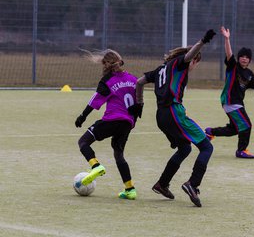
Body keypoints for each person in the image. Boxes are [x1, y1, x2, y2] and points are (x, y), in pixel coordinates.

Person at [135, 29, 216, 207]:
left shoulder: (159, 69)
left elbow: (139, 82)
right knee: (206, 147)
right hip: (174, 112)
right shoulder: (179, 64)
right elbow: (188, 56)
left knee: (184, 148)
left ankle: (162, 184)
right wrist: (203, 41)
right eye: (196, 63)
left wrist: (139, 103)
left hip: (161, 116)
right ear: (193, 60)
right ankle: (193, 184)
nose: (194, 66)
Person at [74, 49, 142, 200]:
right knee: (119, 154)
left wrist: (82, 116)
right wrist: (132, 122)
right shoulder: (133, 79)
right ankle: (130, 189)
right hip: (127, 123)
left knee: (83, 141)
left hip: (112, 120)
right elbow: (139, 102)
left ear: (106, 64)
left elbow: (95, 101)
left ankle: (96, 166)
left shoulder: (108, 81)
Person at [205, 26, 254, 159]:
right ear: (238, 58)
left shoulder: (249, 74)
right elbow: (229, 54)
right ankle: (241, 150)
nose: (244, 59)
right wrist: (227, 39)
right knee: (246, 125)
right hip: (230, 101)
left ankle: (210, 132)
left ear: (250, 60)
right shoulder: (233, 67)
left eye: (247, 57)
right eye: (242, 56)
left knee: (234, 129)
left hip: (237, 103)